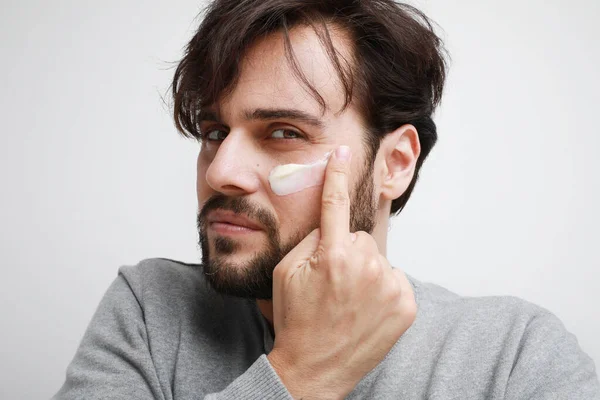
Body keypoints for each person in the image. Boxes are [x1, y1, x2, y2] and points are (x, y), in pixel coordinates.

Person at [53, 1, 600, 399]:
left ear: (395, 165)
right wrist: (302, 375)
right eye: (215, 132)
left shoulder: (514, 356)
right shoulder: (152, 309)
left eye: (284, 132)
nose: (220, 172)